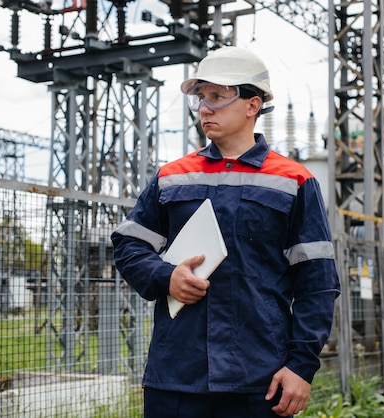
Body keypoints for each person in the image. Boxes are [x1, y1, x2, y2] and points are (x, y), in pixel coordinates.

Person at [111, 46, 340, 418]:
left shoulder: (293, 181)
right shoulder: (172, 176)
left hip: (260, 378)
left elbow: (318, 283)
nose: (205, 108)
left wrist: (301, 366)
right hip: (177, 376)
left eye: (218, 96)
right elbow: (129, 244)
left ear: (252, 104)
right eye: (201, 98)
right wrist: (166, 277)